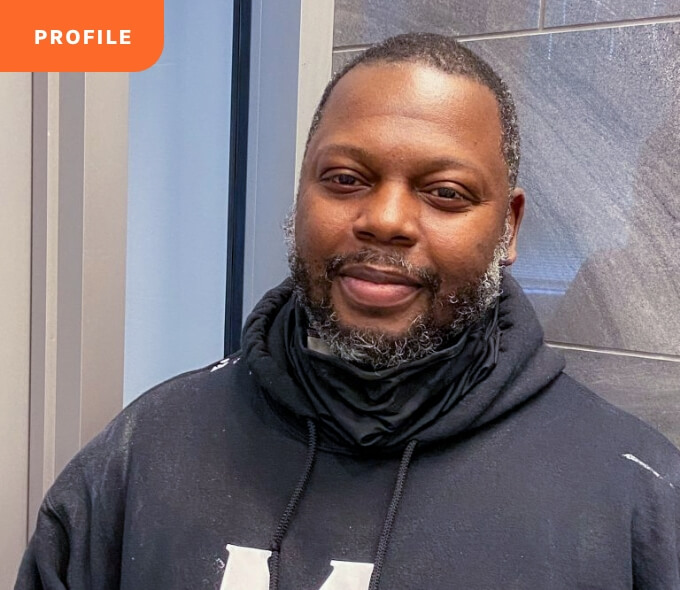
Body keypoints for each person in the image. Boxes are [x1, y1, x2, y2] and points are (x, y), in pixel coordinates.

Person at [16, 33, 680, 590]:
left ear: (508, 229)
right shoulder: (144, 452)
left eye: (444, 193)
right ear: (300, 196)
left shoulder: (634, 502)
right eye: (345, 180)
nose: (386, 219)